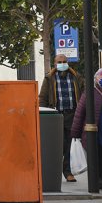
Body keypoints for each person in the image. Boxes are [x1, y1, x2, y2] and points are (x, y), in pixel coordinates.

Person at [39, 54, 84, 182]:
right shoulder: (49, 78)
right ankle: (54, 171)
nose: (62, 64)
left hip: (72, 114)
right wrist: (43, 114)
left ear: (68, 63)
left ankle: (68, 171)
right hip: (56, 115)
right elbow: (42, 98)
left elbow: (84, 93)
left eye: (64, 61)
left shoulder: (76, 77)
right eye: (60, 62)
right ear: (55, 63)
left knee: (70, 144)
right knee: (56, 144)